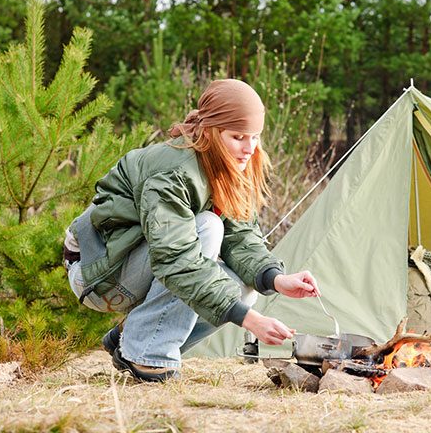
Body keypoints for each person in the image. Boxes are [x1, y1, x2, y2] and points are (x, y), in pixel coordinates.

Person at [63, 79, 319, 382]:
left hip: (136, 265)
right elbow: (177, 261)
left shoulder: (225, 165)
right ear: (211, 131)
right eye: (238, 137)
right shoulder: (174, 172)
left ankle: (131, 338)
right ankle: (148, 356)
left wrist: (275, 279)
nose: (249, 148)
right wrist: (250, 321)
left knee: (243, 289)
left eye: (255, 137)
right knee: (208, 228)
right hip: (98, 273)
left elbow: (240, 236)